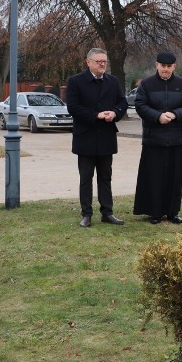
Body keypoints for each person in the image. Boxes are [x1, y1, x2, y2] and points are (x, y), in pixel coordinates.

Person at [66, 47, 129, 227]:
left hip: (106, 136)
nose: (102, 64)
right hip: (85, 137)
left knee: (105, 177)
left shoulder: (113, 81)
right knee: (86, 178)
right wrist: (97, 115)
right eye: (98, 61)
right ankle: (86, 214)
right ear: (88, 62)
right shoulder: (76, 81)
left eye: (104, 61)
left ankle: (107, 213)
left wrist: (115, 113)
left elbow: (122, 102)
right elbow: (73, 108)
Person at [133, 51, 182, 224]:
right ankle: (154, 212)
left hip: (176, 138)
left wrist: (176, 114)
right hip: (153, 138)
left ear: (174, 67)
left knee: (174, 177)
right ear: (156, 65)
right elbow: (140, 105)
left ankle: (172, 212)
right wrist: (157, 116)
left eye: (169, 67)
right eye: (163, 66)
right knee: (154, 177)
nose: (165, 70)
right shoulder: (147, 84)